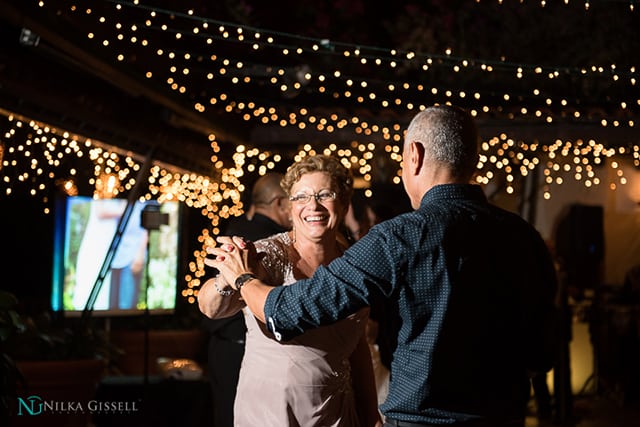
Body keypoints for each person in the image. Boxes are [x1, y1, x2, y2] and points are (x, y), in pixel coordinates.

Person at [208, 105, 559, 427]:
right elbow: (542, 354)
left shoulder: (400, 237)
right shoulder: (525, 237)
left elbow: (288, 311)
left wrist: (243, 278)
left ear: (415, 156)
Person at [198, 155, 382, 427]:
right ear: (289, 206)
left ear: (343, 203)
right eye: (301, 197)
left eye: (324, 194)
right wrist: (228, 278)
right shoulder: (268, 254)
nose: (313, 205)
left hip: (337, 414)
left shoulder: (353, 263)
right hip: (273, 412)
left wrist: (370, 416)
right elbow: (210, 307)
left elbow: (357, 348)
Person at [200, 172, 292, 427]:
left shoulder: (238, 227)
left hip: (221, 343)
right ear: (279, 203)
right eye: (293, 200)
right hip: (242, 347)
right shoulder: (273, 242)